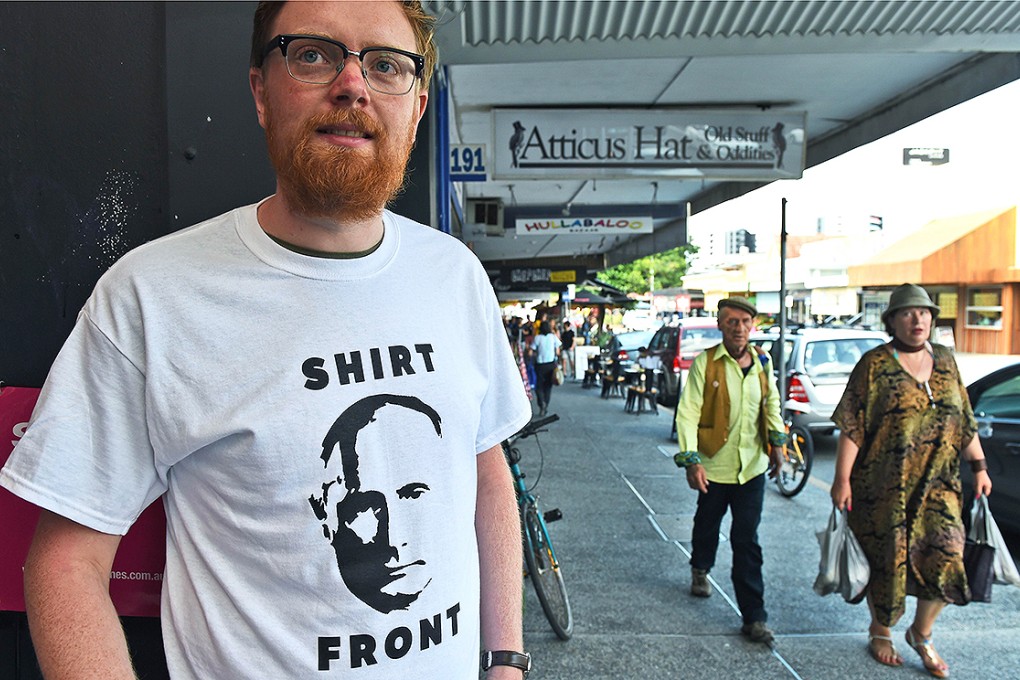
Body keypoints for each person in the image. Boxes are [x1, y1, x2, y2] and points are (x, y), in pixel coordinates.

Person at [0, 2, 534, 678]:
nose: (352, 84)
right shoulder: (153, 296)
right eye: (313, 55)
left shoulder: (454, 274)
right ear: (260, 89)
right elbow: (65, 563)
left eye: (385, 64)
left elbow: (486, 471)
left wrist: (506, 659)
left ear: (417, 105)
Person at [831, 283, 992, 678]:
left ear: (932, 319)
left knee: (948, 558)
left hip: (941, 486)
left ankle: (921, 632)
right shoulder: (874, 365)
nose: (917, 319)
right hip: (885, 486)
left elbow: (963, 420)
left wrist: (980, 466)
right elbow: (853, 425)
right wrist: (841, 479)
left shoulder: (948, 362)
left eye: (923, 312)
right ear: (892, 321)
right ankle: (881, 629)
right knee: (887, 560)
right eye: (907, 313)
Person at [673, 296, 786, 645]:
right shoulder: (706, 363)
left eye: (744, 322)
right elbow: (689, 411)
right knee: (707, 523)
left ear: (753, 326)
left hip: (751, 467)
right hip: (713, 465)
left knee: (746, 540)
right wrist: (691, 460)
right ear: (720, 325)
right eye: (731, 322)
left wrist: (778, 443)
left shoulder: (763, 362)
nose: (739, 328)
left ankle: (754, 617)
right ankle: (700, 567)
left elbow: (771, 404)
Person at [530, 321, 561, 416]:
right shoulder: (553, 337)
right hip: (551, 364)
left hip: (540, 365)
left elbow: (531, 352)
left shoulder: (537, 338)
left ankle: (541, 403)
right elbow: (558, 351)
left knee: (539, 386)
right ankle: (546, 404)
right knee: (548, 386)